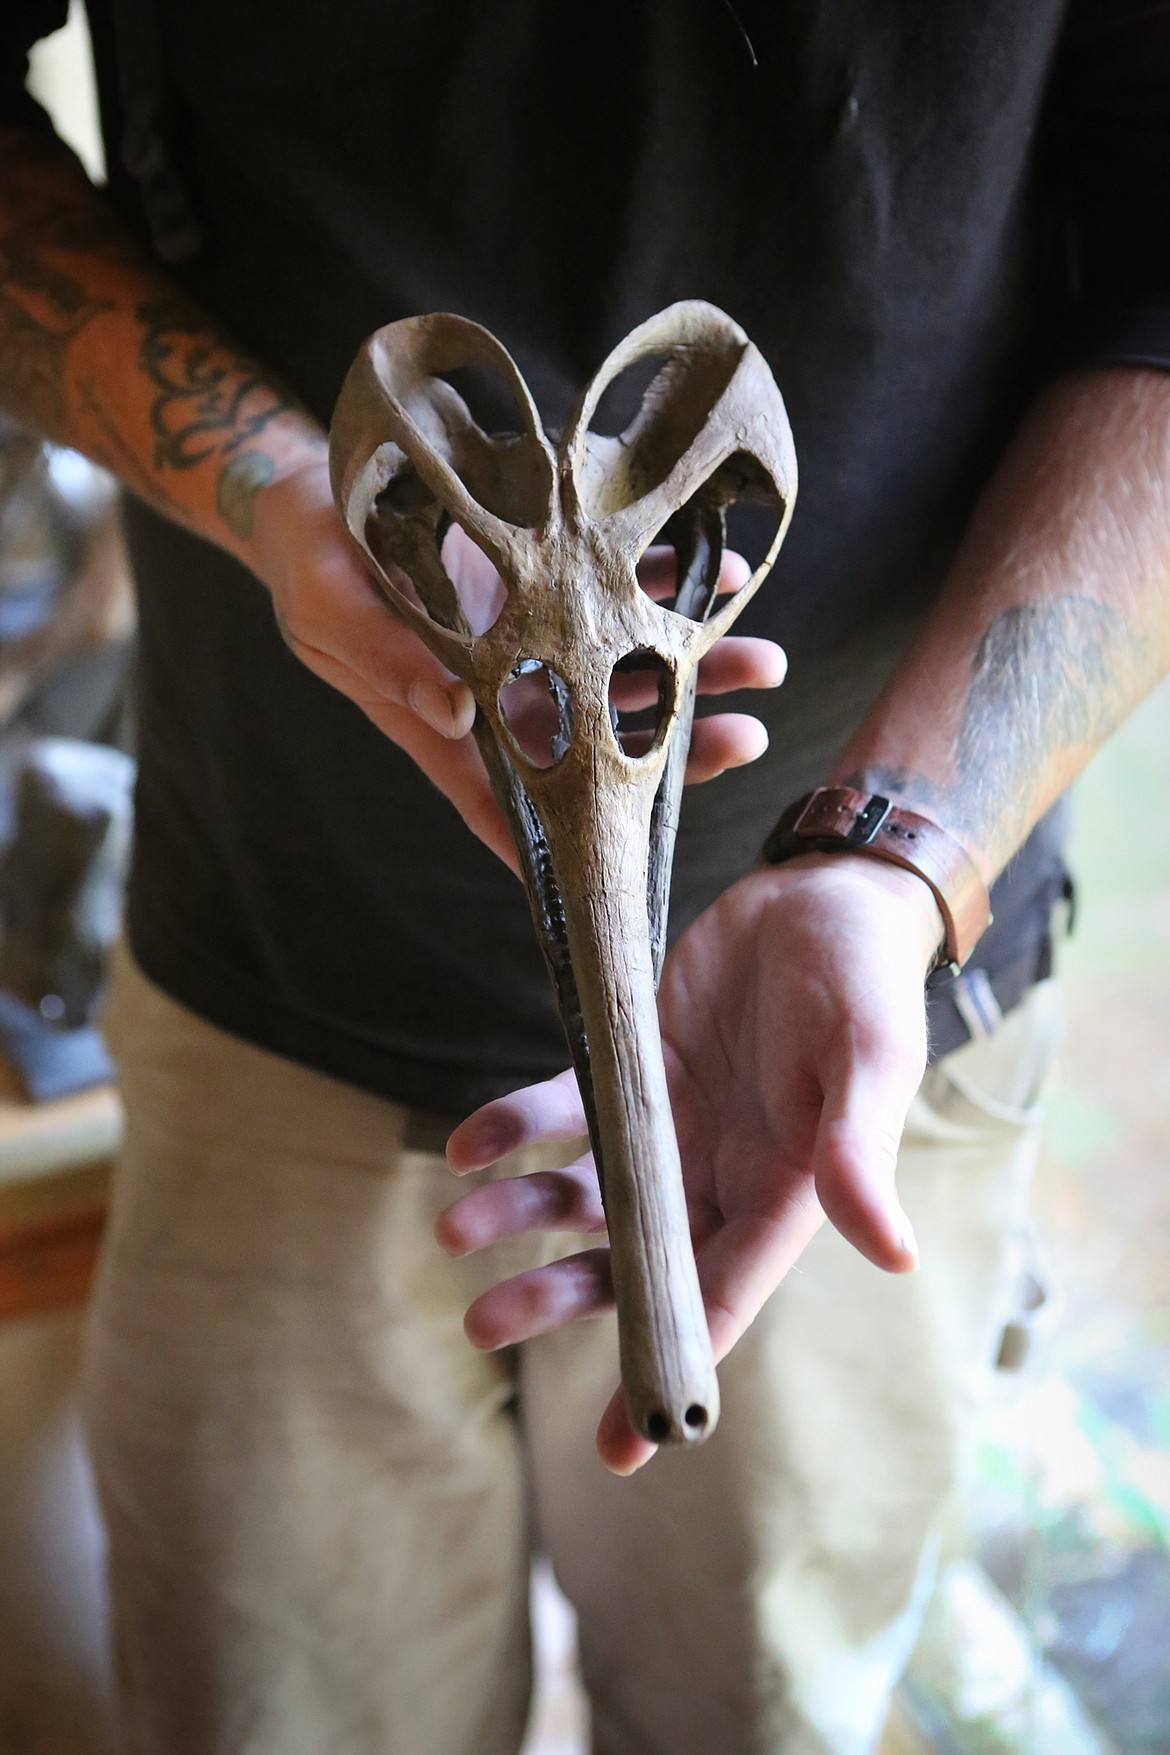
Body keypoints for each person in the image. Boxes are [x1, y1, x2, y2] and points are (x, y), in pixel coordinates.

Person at [1, 3, 1167, 1751]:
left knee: (759, 1709)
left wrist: (900, 857)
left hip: (846, 1022)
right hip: (271, 952)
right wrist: (271, 493)